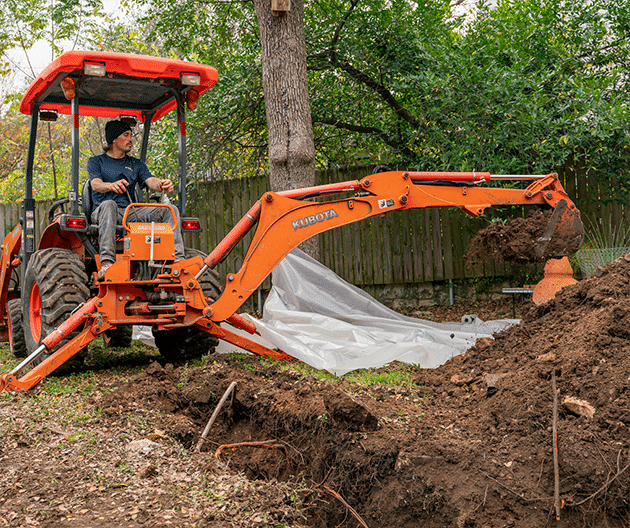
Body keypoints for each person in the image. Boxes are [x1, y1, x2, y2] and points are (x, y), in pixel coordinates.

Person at [87, 119, 185, 279]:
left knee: (170, 211)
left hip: (128, 213)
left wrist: (161, 184)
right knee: (109, 204)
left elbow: (149, 180)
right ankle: (106, 262)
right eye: (126, 135)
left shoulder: (135, 164)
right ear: (113, 139)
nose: (130, 139)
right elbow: (95, 184)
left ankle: (178, 262)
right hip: (103, 212)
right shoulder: (96, 162)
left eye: (131, 135)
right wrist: (111, 185)